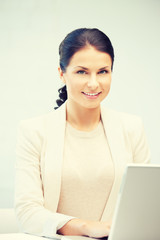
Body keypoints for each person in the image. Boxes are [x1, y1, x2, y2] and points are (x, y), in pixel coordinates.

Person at [15, 28, 150, 239]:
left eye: (103, 71)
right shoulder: (34, 131)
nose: (94, 83)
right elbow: (27, 213)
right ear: (62, 73)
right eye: (82, 72)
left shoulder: (132, 128)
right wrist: (87, 227)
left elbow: (145, 204)